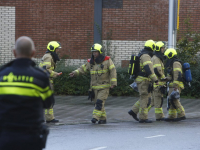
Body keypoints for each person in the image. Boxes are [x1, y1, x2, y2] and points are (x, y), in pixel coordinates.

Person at [0, 36, 54, 150]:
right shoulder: (40, 77)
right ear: (33, 53)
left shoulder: (2, 75)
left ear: (14, 52)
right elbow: (49, 103)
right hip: (31, 138)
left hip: (5, 137)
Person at [69, 43, 117, 124]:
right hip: (94, 88)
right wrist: (75, 73)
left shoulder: (107, 60)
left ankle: (95, 117)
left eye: (96, 52)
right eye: (93, 52)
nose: (94, 53)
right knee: (98, 103)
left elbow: (113, 71)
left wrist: (113, 83)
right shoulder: (91, 62)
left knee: (99, 102)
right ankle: (103, 118)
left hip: (104, 87)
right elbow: (83, 69)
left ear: (100, 52)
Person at [128, 40, 158, 123]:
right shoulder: (146, 56)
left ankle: (133, 111)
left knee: (144, 98)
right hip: (143, 81)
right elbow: (148, 69)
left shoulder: (144, 54)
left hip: (144, 80)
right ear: (152, 47)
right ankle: (143, 118)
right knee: (145, 99)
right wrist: (155, 80)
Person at [39, 41, 62, 123]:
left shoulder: (49, 56)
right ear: (53, 49)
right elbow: (45, 69)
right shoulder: (49, 57)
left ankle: (49, 118)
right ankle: (48, 118)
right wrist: (56, 74)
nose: (58, 51)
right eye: (57, 49)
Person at [164, 48, 186, 122]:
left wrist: (175, 86)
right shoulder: (172, 63)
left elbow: (177, 75)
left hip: (176, 85)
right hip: (173, 84)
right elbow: (172, 75)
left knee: (174, 99)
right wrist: (166, 78)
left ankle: (182, 114)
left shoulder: (176, 63)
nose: (167, 58)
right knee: (171, 100)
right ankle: (171, 116)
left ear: (171, 55)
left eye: (168, 56)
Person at [151, 41, 166, 121]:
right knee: (158, 101)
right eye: (162, 48)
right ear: (159, 49)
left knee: (153, 102)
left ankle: (142, 112)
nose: (163, 49)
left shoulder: (156, 58)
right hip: (158, 83)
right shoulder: (156, 59)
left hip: (157, 83)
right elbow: (157, 70)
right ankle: (159, 117)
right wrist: (164, 78)